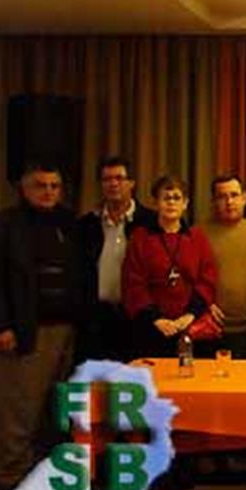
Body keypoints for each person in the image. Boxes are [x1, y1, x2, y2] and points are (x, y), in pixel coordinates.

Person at [0, 163, 81, 490]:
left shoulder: (68, 223)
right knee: (18, 409)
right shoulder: (4, 224)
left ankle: (41, 473)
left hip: (66, 330)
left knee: (54, 409)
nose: (48, 192)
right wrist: (0, 326)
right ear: (23, 188)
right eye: (40, 186)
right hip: (24, 331)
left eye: (54, 186)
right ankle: (10, 475)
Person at [122, 175, 217, 358]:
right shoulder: (140, 238)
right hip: (151, 328)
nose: (171, 203)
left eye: (176, 198)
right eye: (166, 198)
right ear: (156, 203)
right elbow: (133, 282)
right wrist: (156, 319)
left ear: (185, 203)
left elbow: (207, 279)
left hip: (191, 326)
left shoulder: (197, 237)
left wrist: (190, 315)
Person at [77, 155, 155, 362]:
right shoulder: (86, 224)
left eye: (119, 178)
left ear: (132, 183)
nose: (113, 184)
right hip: (97, 320)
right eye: (107, 179)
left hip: (137, 319)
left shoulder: (151, 222)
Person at [199, 174, 246, 359]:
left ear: (244, 198)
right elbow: (189, 278)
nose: (229, 202)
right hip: (210, 328)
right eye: (222, 197)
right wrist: (204, 303)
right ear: (213, 201)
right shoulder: (198, 234)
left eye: (234, 195)